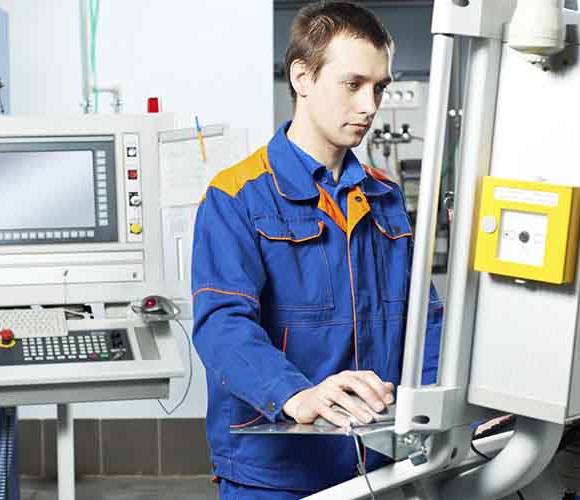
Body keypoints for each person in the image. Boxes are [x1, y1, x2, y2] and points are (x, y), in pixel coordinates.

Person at [190, 2, 444, 498]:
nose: (370, 105)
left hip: (381, 461)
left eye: (379, 87)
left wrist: (447, 414)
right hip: (276, 473)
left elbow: (424, 321)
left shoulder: (383, 196)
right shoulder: (237, 196)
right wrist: (296, 394)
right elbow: (222, 323)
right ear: (302, 77)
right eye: (353, 85)